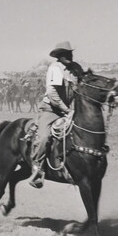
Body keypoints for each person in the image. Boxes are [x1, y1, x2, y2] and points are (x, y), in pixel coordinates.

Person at [25, 41, 78, 188]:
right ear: (59, 56)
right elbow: (52, 93)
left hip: (67, 109)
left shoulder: (72, 71)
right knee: (44, 137)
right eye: (66, 54)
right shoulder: (55, 68)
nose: (70, 56)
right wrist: (66, 110)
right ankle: (37, 168)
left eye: (70, 53)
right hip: (51, 109)